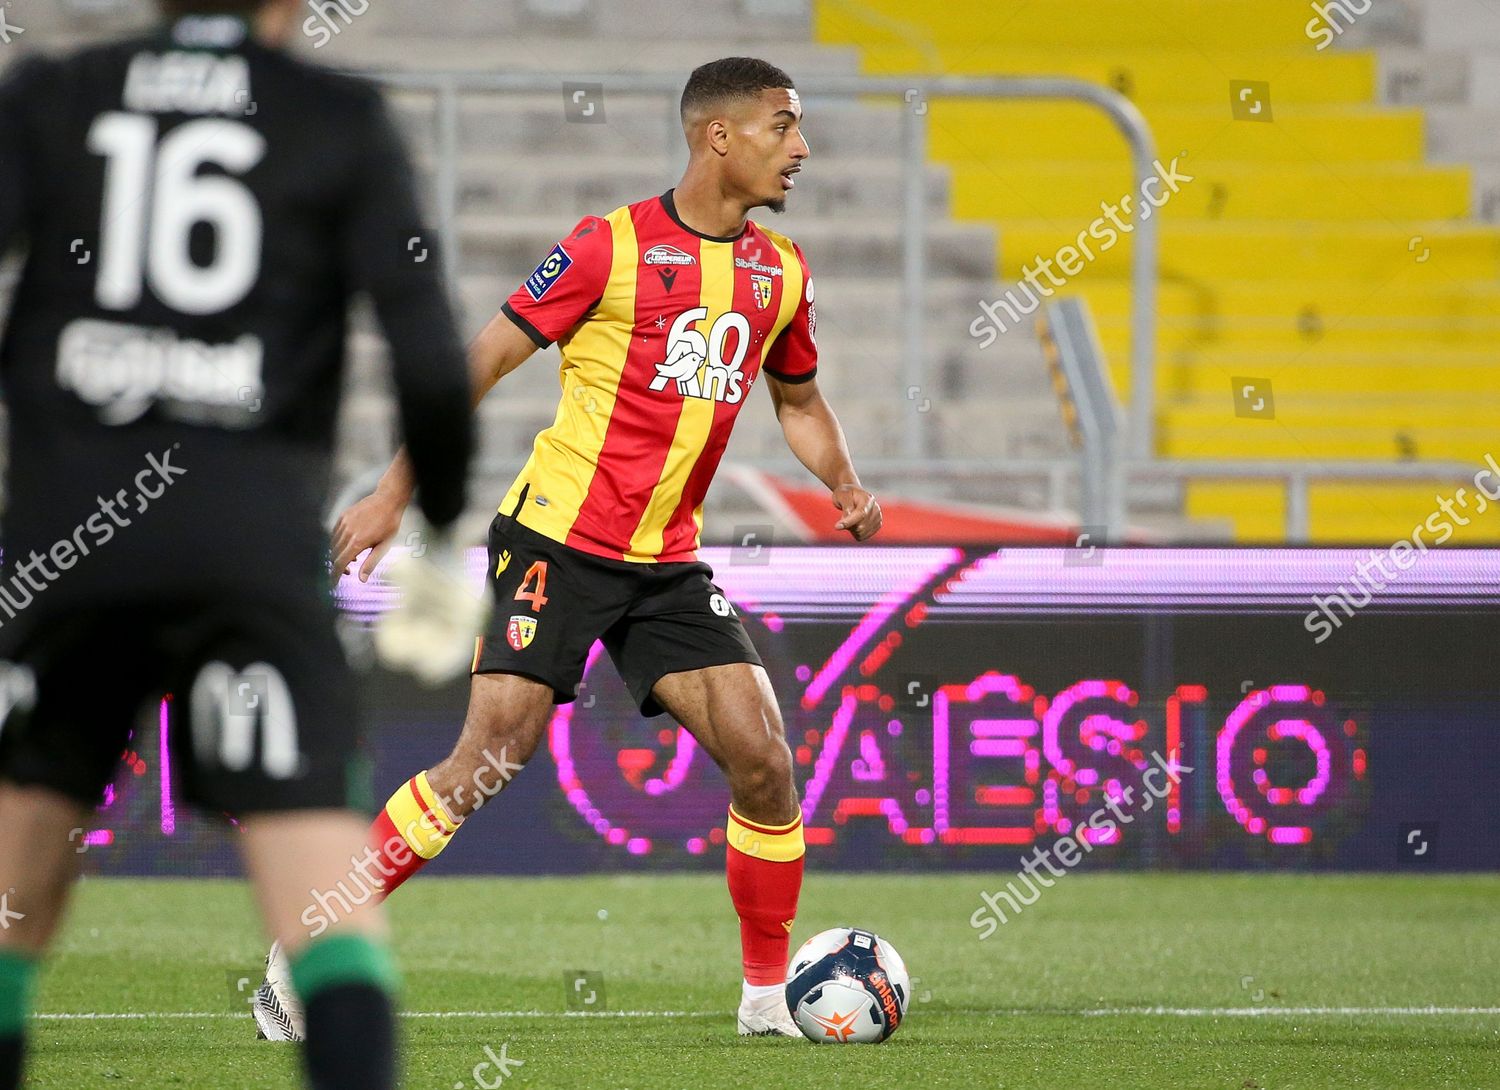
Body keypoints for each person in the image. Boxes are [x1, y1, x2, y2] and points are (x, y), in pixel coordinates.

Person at [254, 55, 883, 1040]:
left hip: (666, 565)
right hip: (557, 539)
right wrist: (389, 494)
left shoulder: (781, 272)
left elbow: (798, 401)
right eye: (782, 126)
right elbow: (477, 364)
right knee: (487, 759)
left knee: (763, 758)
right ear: (716, 135)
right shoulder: (609, 248)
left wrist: (840, 477)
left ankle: (766, 995)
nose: (800, 148)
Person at [0, 1, 474, 1086]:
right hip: (250, 548)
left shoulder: (53, 95)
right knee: (326, 903)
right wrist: (443, 535)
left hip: (70, 544)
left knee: (14, 894)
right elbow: (433, 365)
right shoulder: (337, 116)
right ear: (289, 6)